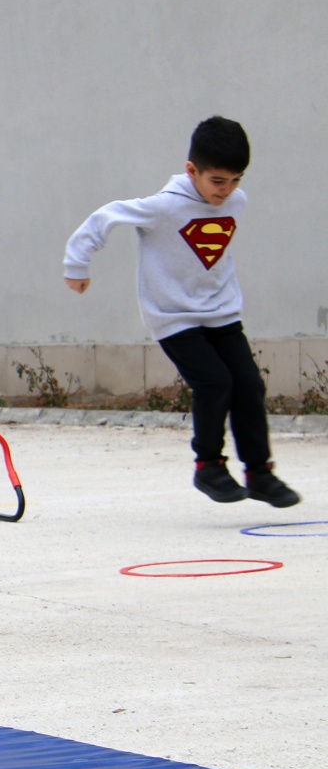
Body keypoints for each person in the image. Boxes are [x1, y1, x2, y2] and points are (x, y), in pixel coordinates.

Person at [65, 116, 299, 507]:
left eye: (236, 180)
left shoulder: (236, 202)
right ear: (192, 170)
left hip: (221, 313)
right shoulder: (163, 207)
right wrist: (77, 266)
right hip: (173, 317)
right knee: (214, 383)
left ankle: (259, 473)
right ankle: (208, 466)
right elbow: (105, 217)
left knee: (249, 386)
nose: (227, 191)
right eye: (217, 182)